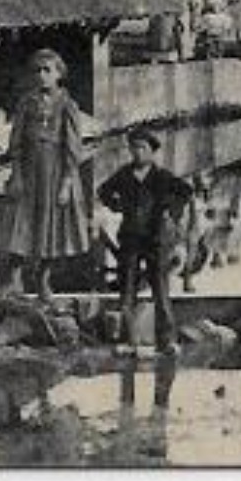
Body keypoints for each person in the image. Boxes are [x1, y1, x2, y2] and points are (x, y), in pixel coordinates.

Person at [1, 49, 91, 300]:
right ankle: (14, 279)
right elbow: (16, 143)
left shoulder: (67, 106)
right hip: (29, 170)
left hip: (55, 172)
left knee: (51, 227)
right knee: (20, 223)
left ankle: (43, 280)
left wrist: (66, 183)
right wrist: (16, 175)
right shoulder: (26, 103)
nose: (42, 76)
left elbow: (73, 148)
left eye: (47, 70)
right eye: (38, 71)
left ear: (59, 74)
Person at [98, 128, 191, 358]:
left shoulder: (162, 176)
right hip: (130, 237)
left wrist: (171, 210)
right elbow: (103, 191)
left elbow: (185, 192)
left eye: (143, 148)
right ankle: (129, 341)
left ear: (152, 151)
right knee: (127, 289)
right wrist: (116, 206)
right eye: (134, 148)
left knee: (160, 289)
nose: (138, 153)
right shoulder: (124, 174)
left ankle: (166, 341)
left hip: (156, 239)